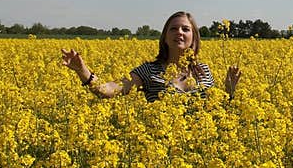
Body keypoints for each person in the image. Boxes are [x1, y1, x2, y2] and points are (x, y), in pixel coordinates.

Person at [61, 11, 242, 102]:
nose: (179, 32)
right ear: (164, 37)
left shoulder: (203, 70)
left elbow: (218, 110)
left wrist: (229, 92)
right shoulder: (148, 71)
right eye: (173, 28)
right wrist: (83, 71)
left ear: (194, 37)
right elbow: (109, 89)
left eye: (185, 29)